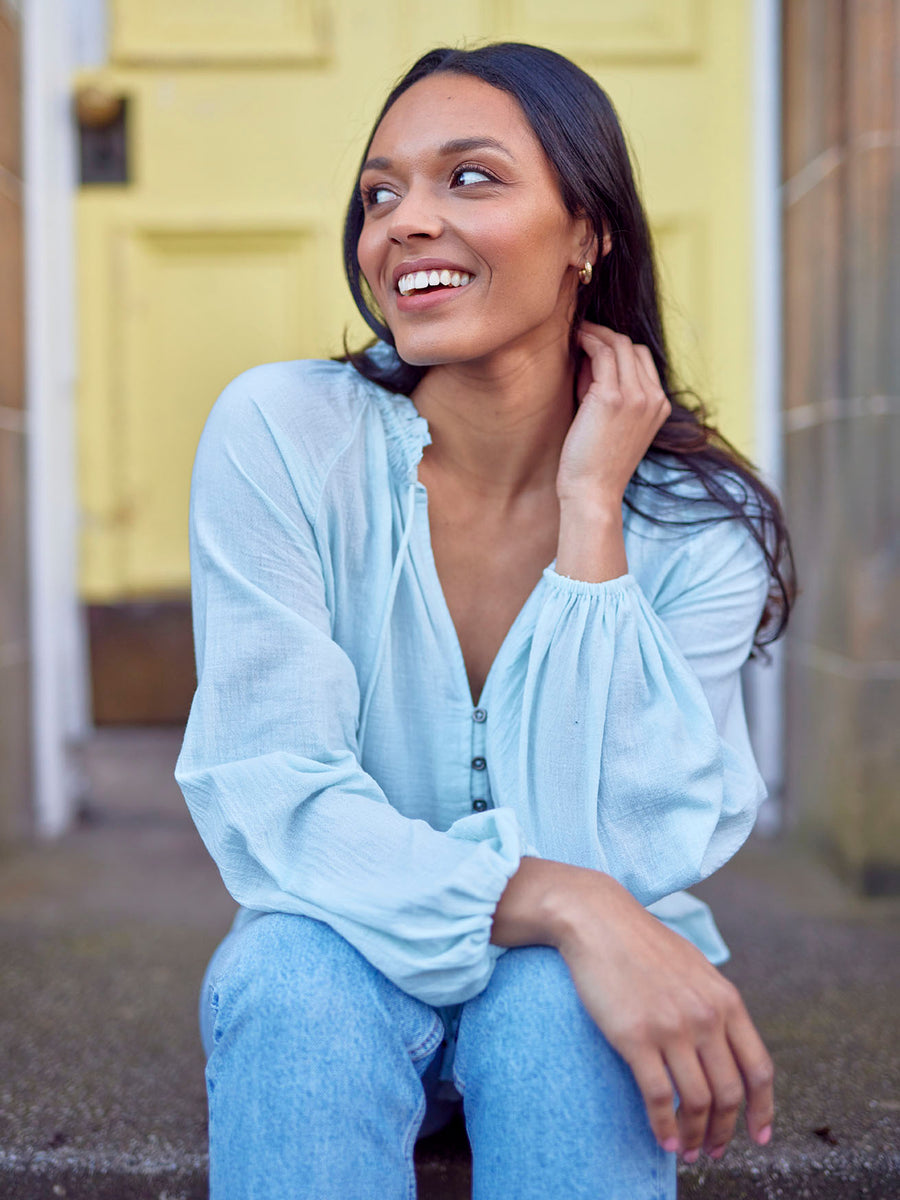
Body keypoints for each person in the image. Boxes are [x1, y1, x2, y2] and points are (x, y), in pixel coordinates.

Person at [175, 42, 794, 1200]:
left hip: (578, 985)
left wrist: (590, 517)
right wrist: (555, 896)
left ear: (587, 233)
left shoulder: (701, 530)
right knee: (287, 970)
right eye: (380, 191)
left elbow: (632, 848)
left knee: (562, 1005)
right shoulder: (280, 435)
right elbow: (273, 793)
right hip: (344, 946)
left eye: (471, 178)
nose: (406, 221)